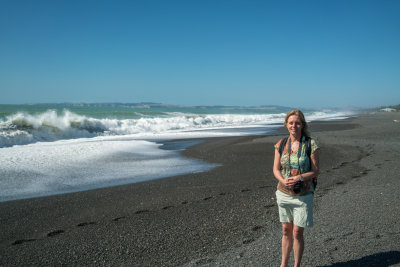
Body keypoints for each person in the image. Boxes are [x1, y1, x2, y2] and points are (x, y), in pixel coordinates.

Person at [273, 109, 320, 267]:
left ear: (302, 124)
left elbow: (315, 171)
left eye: (297, 123)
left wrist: (300, 177)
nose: (294, 125)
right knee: (286, 230)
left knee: (297, 232)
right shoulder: (281, 144)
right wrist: (283, 180)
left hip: (303, 194)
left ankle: (296, 265)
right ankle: (283, 265)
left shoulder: (310, 144)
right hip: (283, 193)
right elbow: (276, 169)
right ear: (286, 125)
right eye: (291, 122)